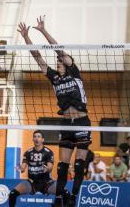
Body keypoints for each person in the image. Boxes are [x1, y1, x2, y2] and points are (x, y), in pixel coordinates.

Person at [17, 17, 90, 206]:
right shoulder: (54, 78)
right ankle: (59, 198)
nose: (58, 62)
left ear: (66, 62)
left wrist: (43, 31)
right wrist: (26, 37)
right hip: (66, 123)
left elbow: (58, 49)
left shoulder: (73, 72)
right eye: (57, 62)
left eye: (60, 61)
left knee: (79, 165)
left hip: (81, 122)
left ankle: (74, 196)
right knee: (62, 166)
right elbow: (37, 57)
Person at [9, 130, 56, 207]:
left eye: (39, 137)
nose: (36, 138)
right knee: (12, 193)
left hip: (46, 182)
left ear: (42, 139)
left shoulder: (48, 152)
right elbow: (23, 168)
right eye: (35, 137)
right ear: (33, 139)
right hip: (32, 182)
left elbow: (50, 167)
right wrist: (21, 168)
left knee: (65, 193)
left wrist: (47, 169)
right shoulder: (28, 152)